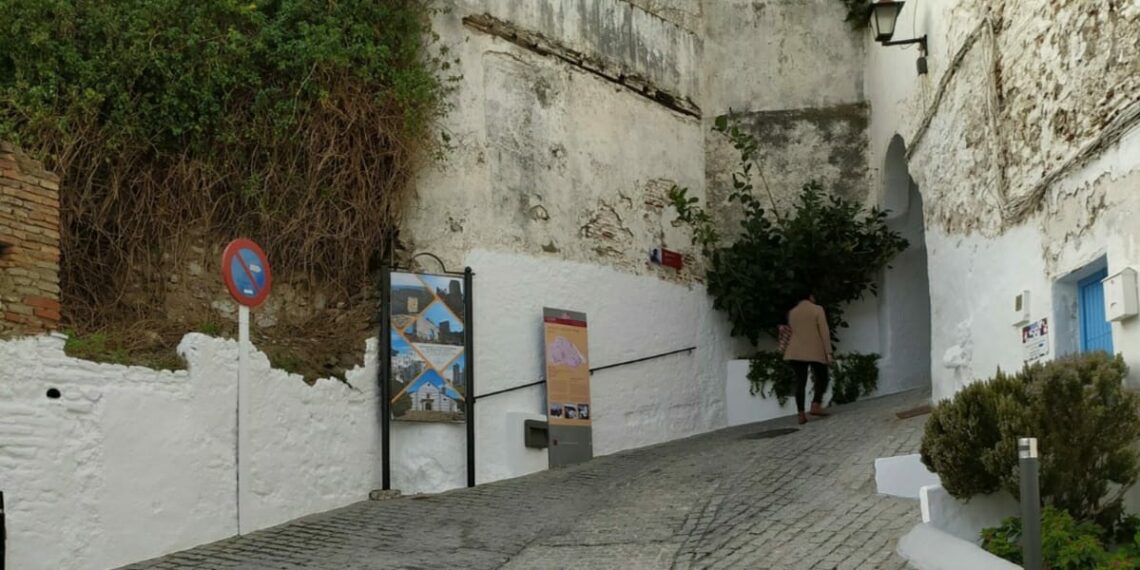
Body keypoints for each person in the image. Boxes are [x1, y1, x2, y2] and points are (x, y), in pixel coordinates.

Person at [783, 289, 833, 425]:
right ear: (810, 297)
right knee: (822, 376)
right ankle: (816, 404)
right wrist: (828, 352)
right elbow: (824, 331)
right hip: (815, 350)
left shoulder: (792, 312)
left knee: (800, 382)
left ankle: (801, 414)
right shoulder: (817, 309)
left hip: (795, 351)